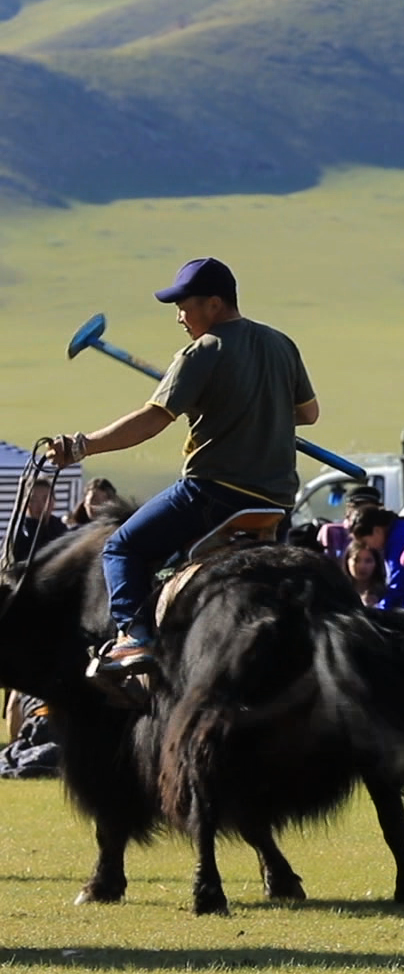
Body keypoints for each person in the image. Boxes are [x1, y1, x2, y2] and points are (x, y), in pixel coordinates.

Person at [45, 257, 318, 676]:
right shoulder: (282, 344)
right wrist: (258, 408)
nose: (179, 317)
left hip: (211, 494)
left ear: (213, 303)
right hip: (276, 502)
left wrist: (82, 447)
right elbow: (309, 413)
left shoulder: (202, 351)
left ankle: (134, 638)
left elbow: (153, 419)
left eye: (183, 305)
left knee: (123, 547)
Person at [349, 507, 404, 610]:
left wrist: (380, 611)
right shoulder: (402, 527)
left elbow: (401, 582)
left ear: (376, 531)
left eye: (365, 542)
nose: (368, 547)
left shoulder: (399, 539)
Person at [7, 478, 67, 563]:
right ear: (24, 504)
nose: (41, 505)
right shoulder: (19, 532)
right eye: (33, 500)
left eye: (46, 499)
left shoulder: (61, 528)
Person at [319, 485, 382, 559]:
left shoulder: (380, 533)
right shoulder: (333, 532)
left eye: (369, 510)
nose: (363, 515)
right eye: (358, 508)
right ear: (349, 510)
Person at [342, 539, 388, 607]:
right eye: (356, 560)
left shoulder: (386, 594)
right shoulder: (338, 591)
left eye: (368, 561)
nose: (362, 566)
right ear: (347, 562)